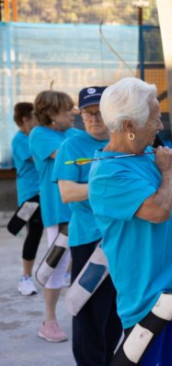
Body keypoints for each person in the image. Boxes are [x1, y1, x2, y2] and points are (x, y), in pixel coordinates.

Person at [88, 77, 172, 365]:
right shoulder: (109, 175)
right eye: (155, 118)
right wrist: (169, 174)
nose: (160, 126)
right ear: (129, 126)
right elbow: (159, 210)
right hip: (149, 301)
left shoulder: (149, 156)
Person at [53, 86, 122, 365]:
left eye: (99, 112)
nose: (93, 118)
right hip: (89, 241)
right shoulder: (71, 145)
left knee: (117, 310)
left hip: (121, 237)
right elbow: (68, 192)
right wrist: (108, 187)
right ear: (79, 114)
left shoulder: (123, 141)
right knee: (88, 310)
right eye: (87, 112)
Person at [29, 90, 80, 342]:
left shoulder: (73, 134)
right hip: (59, 212)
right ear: (50, 114)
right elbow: (68, 157)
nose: (73, 113)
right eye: (66, 109)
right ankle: (49, 321)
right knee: (56, 266)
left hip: (83, 209)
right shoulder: (40, 135)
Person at [11, 102, 43, 296]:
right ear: (25, 120)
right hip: (30, 194)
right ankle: (26, 277)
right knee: (34, 234)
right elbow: (37, 157)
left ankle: (64, 273)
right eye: (35, 117)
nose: (38, 121)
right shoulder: (20, 140)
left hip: (46, 192)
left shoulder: (34, 136)